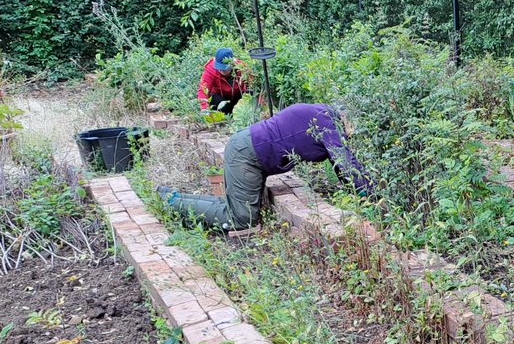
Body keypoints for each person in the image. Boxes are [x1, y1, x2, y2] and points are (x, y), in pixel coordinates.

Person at [157, 103, 371, 232]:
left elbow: (340, 165)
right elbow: (347, 165)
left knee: (236, 205)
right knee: (241, 218)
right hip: (247, 155)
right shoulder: (328, 124)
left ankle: (174, 197)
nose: (351, 134)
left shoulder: (321, 113)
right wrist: (370, 195)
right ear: (347, 118)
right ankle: (172, 203)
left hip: (246, 147)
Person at [197, 47, 248, 116]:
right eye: (219, 67)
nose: (221, 70)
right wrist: (204, 109)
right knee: (217, 101)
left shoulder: (242, 68)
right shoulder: (211, 69)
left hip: (238, 97)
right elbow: (203, 90)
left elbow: (251, 86)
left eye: (224, 68)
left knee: (249, 94)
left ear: (232, 63)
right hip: (221, 99)